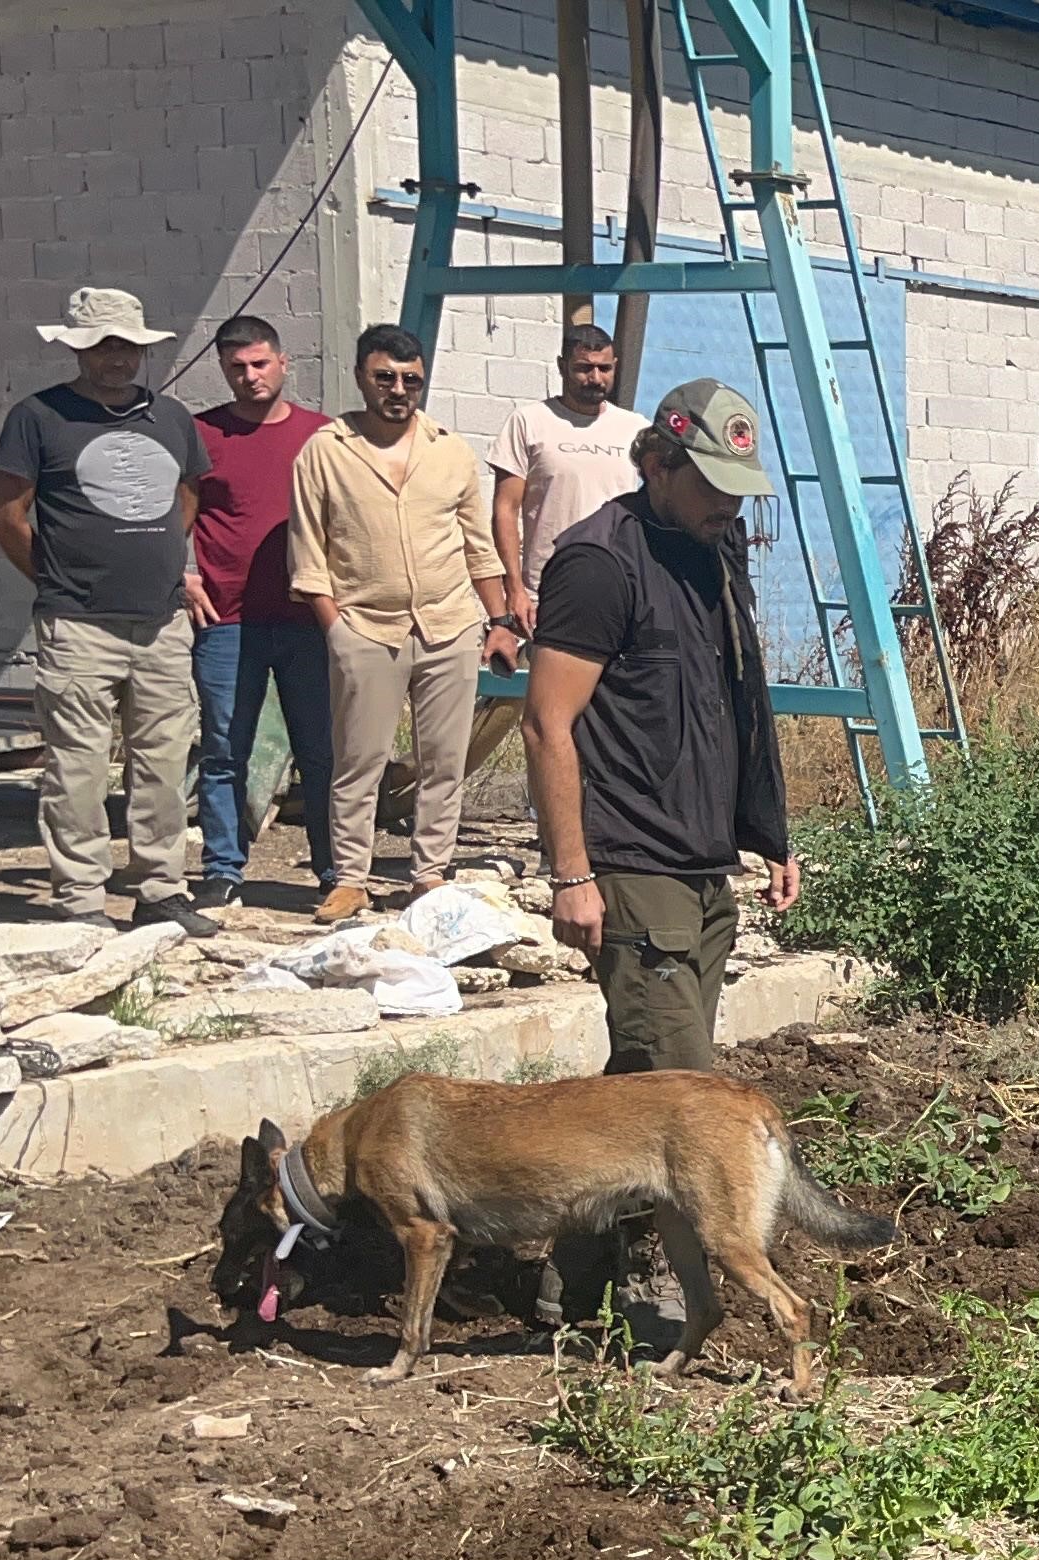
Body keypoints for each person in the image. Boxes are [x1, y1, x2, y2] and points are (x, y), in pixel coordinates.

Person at [523, 378, 800, 1077]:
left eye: (738, 487)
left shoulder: (717, 548)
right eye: (711, 485)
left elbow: (736, 699)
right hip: (636, 870)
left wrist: (768, 835)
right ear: (657, 465)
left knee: (648, 1100)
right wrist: (571, 875)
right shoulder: (600, 562)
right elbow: (545, 723)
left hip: (704, 870)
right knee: (683, 1102)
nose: (729, 504)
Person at [0, 286, 221, 937]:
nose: (116, 359)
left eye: (127, 347)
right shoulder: (38, 417)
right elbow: (5, 517)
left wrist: (165, 560)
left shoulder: (171, 418)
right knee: (77, 768)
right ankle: (81, 899)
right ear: (80, 350)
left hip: (162, 622)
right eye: (103, 347)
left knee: (165, 765)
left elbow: (187, 496)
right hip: (78, 625)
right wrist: (59, 579)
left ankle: (160, 891)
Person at [286, 323, 515, 922]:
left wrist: (499, 620)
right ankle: (351, 880)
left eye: (411, 380)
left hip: (448, 625)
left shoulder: (451, 450)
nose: (398, 390)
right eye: (385, 377)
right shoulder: (325, 451)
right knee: (359, 760)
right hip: (365, 626)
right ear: (362, 376)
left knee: (444, 758)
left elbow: (477, 545)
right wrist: (335, 628)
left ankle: (430, 875)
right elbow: (308, 554)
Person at [187, 314, 337, 908]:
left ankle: (334, 871)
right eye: (236, 367)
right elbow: (180, 512)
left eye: (259, 364)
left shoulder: (322, 435)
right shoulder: (201, 435)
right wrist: (184, 571)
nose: (249, 376)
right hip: (226, 618)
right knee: (225, 749)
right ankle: (223, 869)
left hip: (309, 620)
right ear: (223, 370)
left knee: (322, 752)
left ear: (283, 363)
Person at [477, 325, 647, 773]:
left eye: (604, 368)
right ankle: (420, 788)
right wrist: (514, 589)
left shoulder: (635, 430)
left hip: (617, 595)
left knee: (608, 717)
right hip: (545, 595)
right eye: (584, 368)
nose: (595, 378)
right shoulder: (530, 423)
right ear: (562, 368)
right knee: (528, 713)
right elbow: (505, 510)